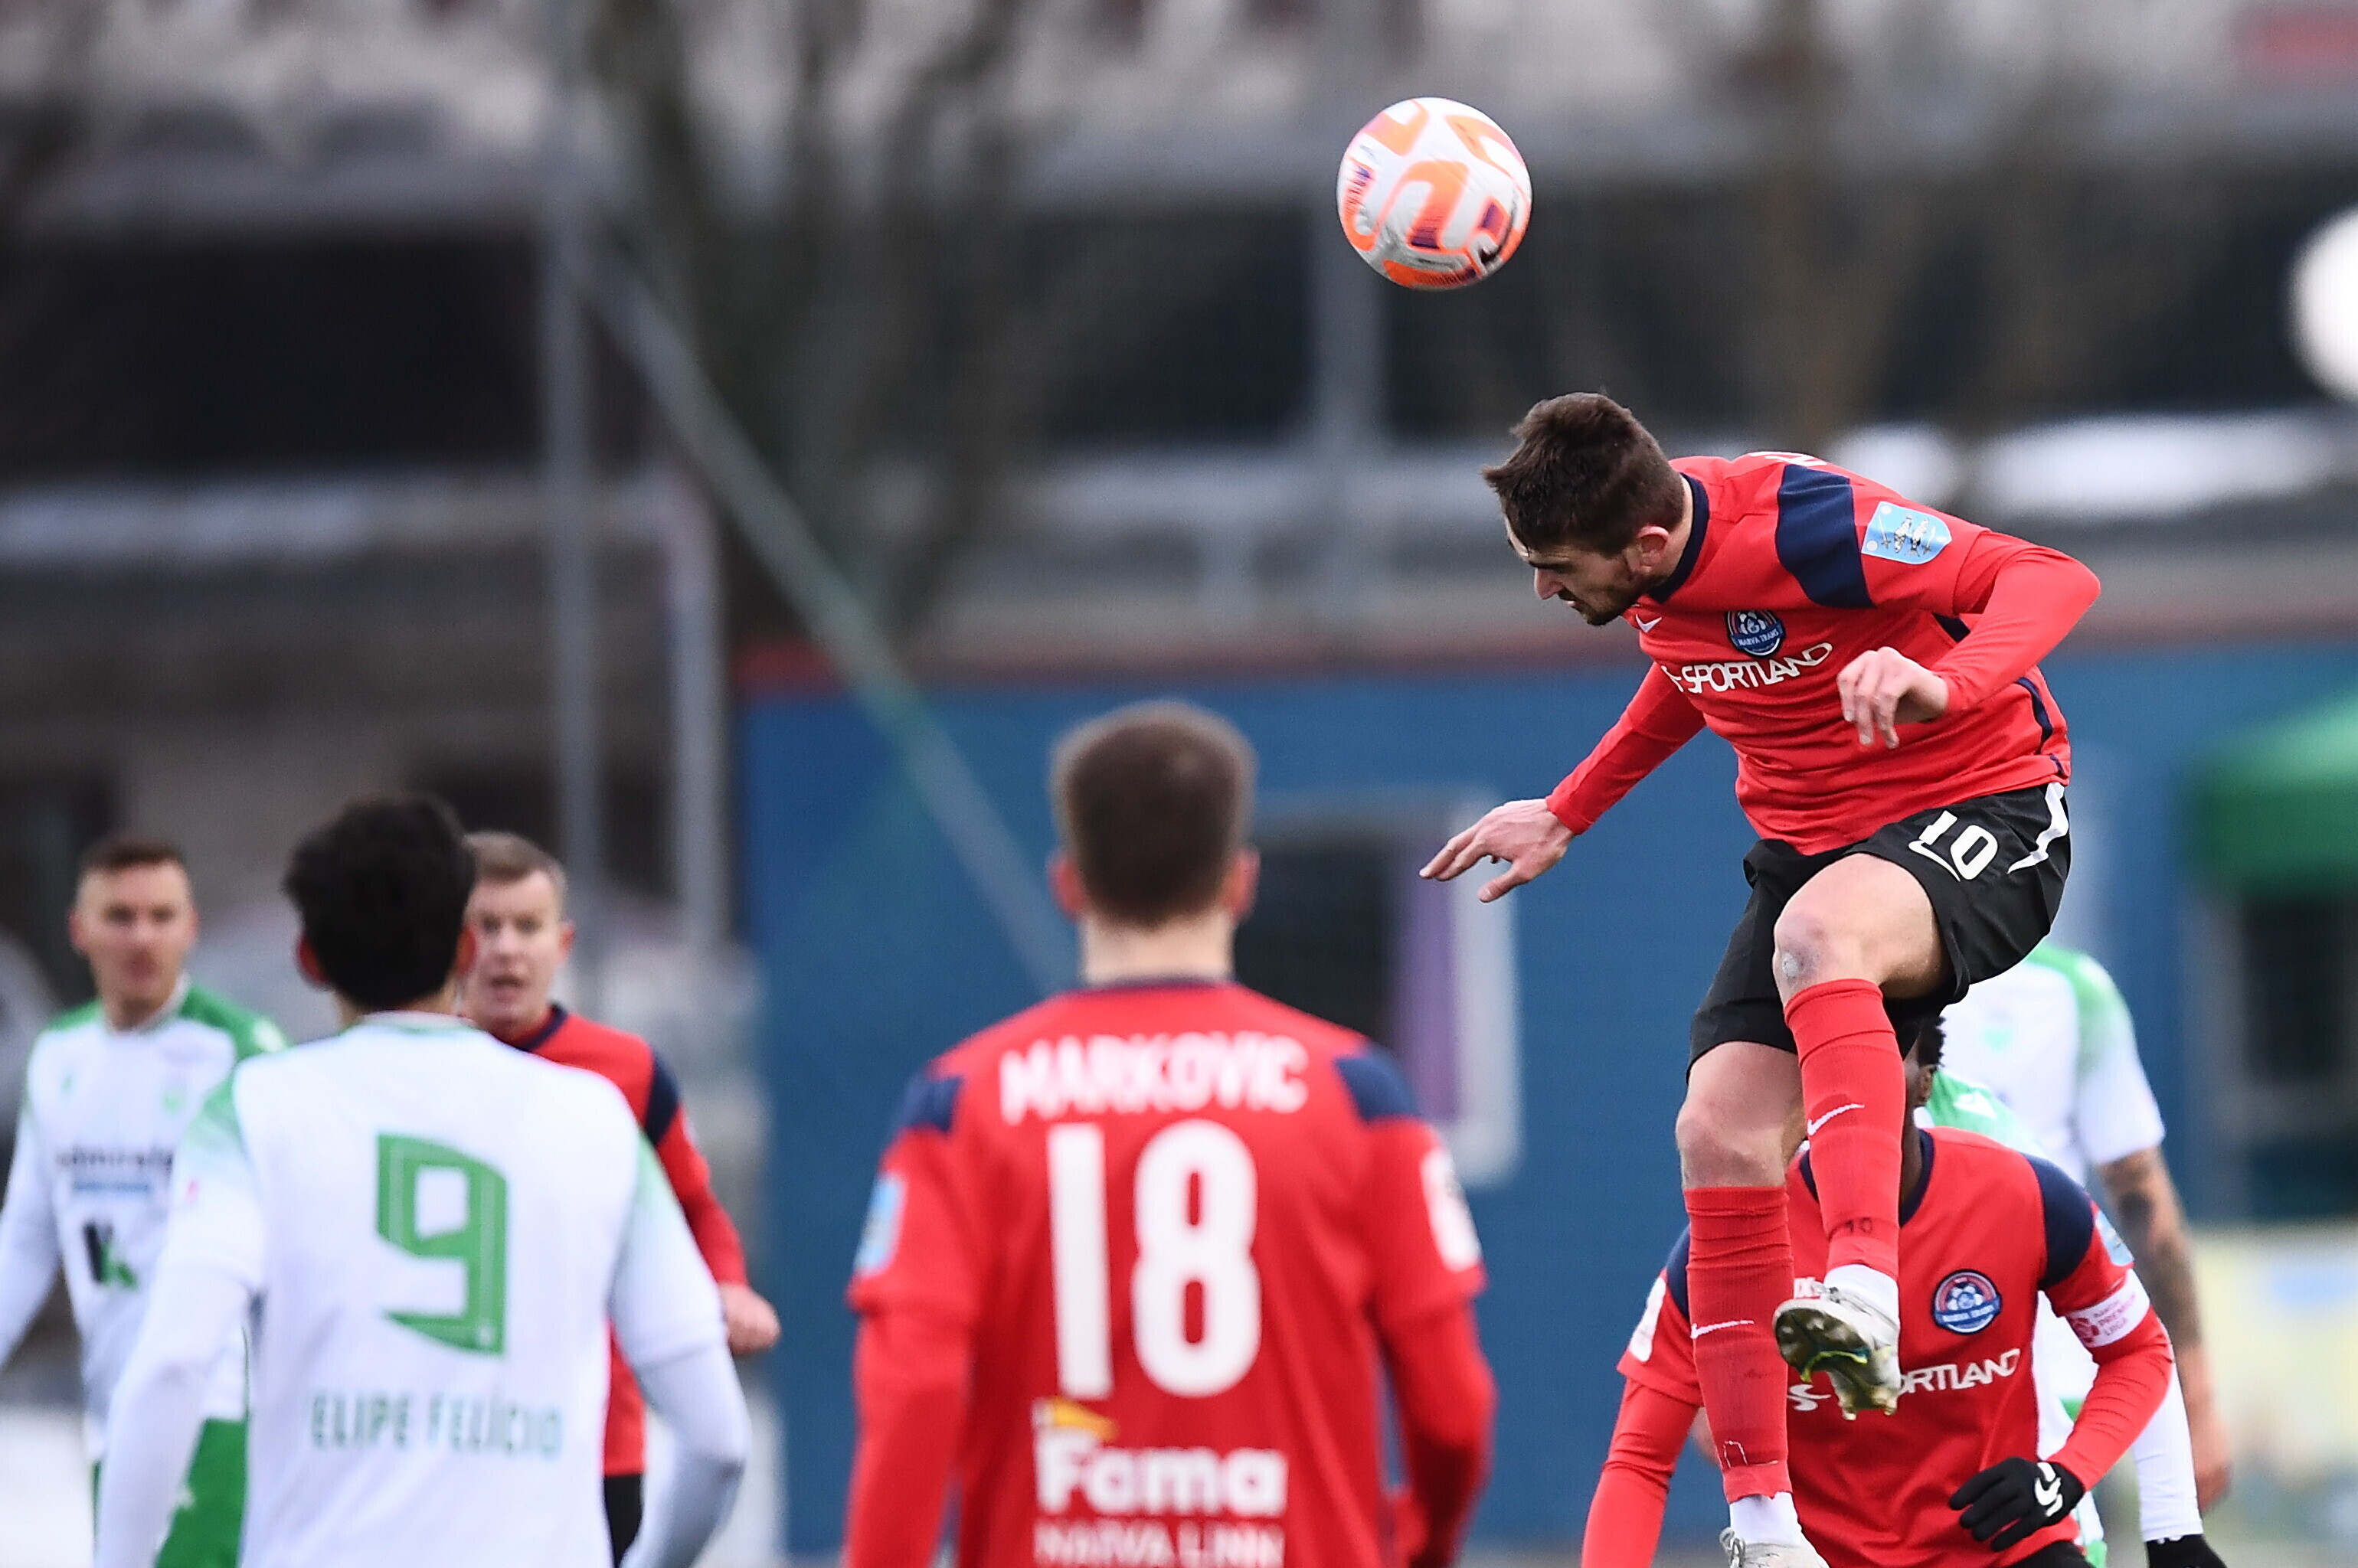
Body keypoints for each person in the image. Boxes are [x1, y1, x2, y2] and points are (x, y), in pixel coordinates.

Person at [1424, 394, 2100, 1561]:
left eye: (1555, 568)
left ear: (1644, 546)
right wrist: (1566, 810)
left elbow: (2050, 579)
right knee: (1718, 1134)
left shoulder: (1806, 523)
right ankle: (1764, 1525)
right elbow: (1690, 671)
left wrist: (1948, 682)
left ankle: (1862, 1289)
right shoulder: (1655, 570)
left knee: (1818, 937)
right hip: (1811, 849)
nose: (1539, 588)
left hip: (1981, 806)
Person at [842, 702, 1496, 1568]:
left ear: (1068, 884)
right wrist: (1424, 1540)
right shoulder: (1356, 1095)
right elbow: (1450, 1408)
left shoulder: (961, 1103)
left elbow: (914, 1391)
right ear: (1240, 881)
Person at [92, 795, 750, 1568]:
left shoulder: (250, 1111)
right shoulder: (598, 1121)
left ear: (310, 959)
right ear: (467, 947)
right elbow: (717, 1440)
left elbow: (172, 1364)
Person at [1582, 1018, 2222, 1568]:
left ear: (1925, 1081)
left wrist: (2069, 1475)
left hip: (2010, 1550)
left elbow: (2138, 1350)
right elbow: (1638, 1459)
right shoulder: (1729, 1245)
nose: (1846, 1089)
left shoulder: (2025, 1194)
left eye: (1874, 1061)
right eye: (1824, 1065)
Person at [459, 830, 780, 1560]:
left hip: (598, 1447)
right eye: (485, 927)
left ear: (562, 944)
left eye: (527, 927)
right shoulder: (413, 1074)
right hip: (460, 1442)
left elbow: (693, 1206)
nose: (506, 950)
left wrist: (728, 1285)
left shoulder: (623, 1072)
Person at [0, 835, 285, 1568]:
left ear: (191, 927)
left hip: (217, 1405)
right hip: (109, 1406)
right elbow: (27, 1234)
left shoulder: (240, 1053)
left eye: (162, 916)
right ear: (79, 929)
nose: (142, 937)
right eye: (120, 916)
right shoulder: (58, 1055)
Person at [1941, 944, 2231, 1514]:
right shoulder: (1852, 972)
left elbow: (2140, 1194)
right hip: (1910, 1372)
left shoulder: (2072, 992)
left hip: (2049, 1371)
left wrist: (2194, 1401)